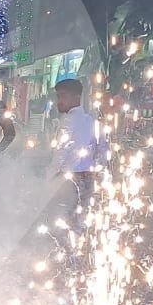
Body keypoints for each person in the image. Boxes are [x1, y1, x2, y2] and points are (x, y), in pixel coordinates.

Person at [52, 78, 106, 222]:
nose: (59, 101)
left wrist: (51, 177)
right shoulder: (93, 122)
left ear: (76, 97)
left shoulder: (68, 121)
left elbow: (60, 152)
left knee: (62, 221)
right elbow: (102, 153)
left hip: (67, 180)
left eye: (63, 96)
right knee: (81, 220)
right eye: (58, 96)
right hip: (88, 178)